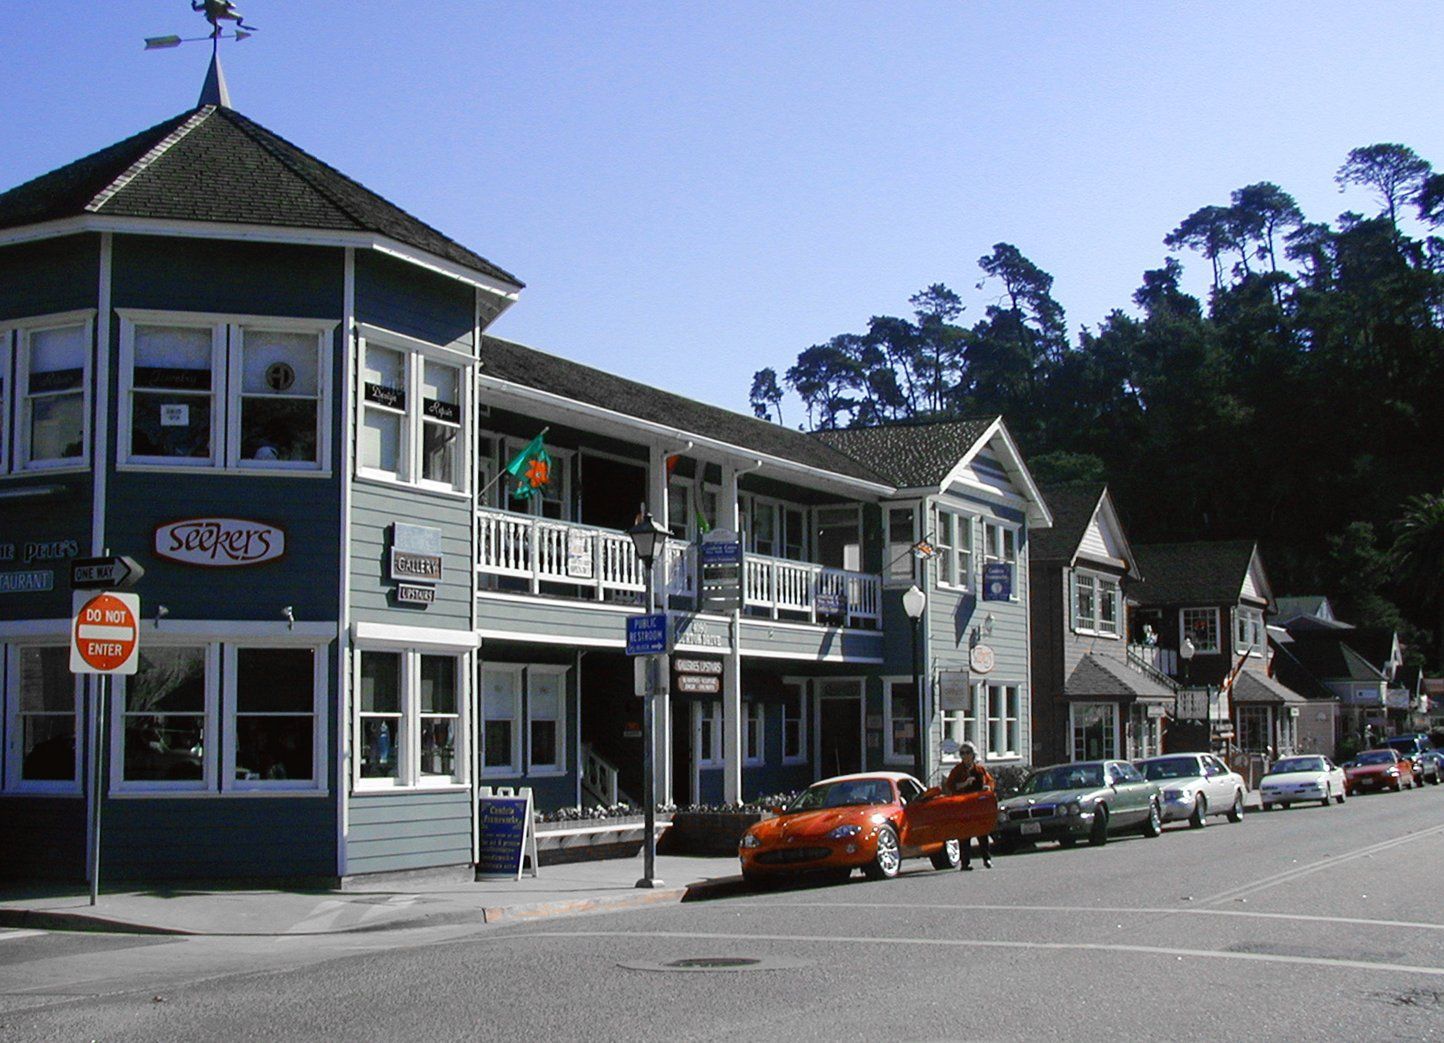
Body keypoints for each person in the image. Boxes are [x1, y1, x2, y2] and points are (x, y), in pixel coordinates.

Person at [942, 740, 994, 870]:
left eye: (967, 753)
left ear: (973, 754)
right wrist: (964, 783)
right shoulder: (957, 770)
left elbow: (990, 782)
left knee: (982, 833)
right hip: (963, 806)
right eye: (962, 753)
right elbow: (950, 786)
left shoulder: (979, 769)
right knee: (965, 834)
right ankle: (965, 863)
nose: (965, 756)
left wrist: (988, 787)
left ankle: (986, 859)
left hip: (978, 805)